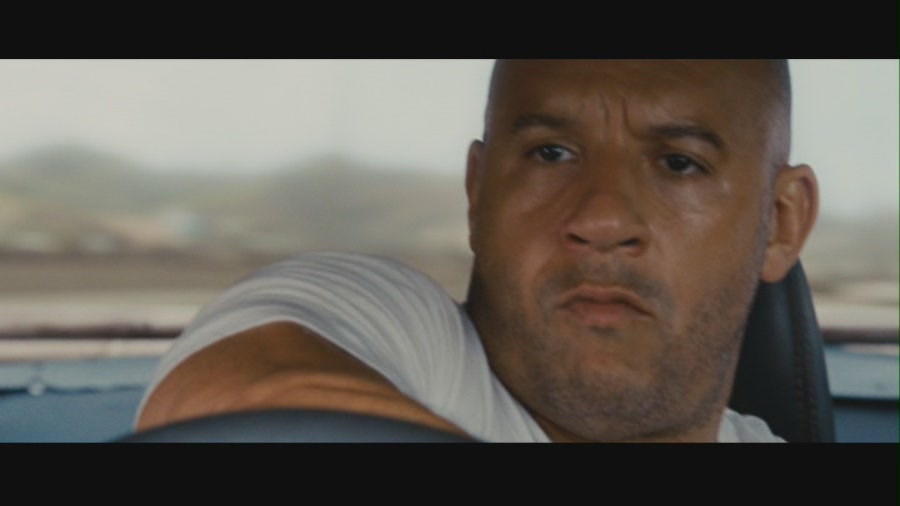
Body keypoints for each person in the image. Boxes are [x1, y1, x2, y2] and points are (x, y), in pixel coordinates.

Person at [134, 59, 819, 442]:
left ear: (782, 224)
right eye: (551, 153)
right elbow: (245, 415)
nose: (602, 219)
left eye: (679, 164)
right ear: (478, 191)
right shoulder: (392, 332)